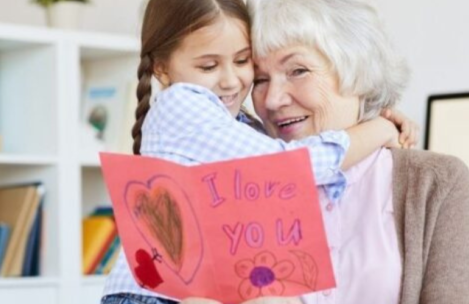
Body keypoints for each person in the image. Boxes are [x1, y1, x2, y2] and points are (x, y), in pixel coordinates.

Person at [101, 0, 420, 303]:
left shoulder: (235, 124)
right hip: (152, 296)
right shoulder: (181, 104)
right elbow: (287, 167)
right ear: (162, 69)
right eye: (209, 65)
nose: (230, 80)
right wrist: (378, 129)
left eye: (242, 61)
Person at [192, 0, 469, 303]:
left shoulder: (436, 181)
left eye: (297, 70)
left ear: (358, 71)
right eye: (260, 80)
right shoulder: (239, 179)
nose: (272, 100)